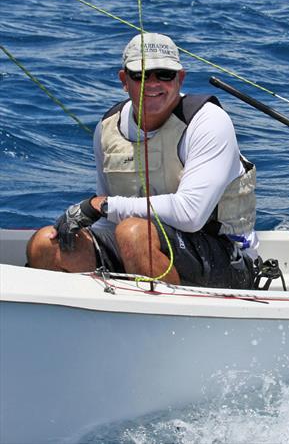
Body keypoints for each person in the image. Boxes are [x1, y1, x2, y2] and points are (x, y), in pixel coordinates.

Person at [26, 32, 258, 289]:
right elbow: (106, 222)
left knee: (135, 234)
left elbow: (190, 214)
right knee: (44, 244)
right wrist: (94, 224)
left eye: (165, 74)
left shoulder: (208, 122)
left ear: (180, 79)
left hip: (226, 259)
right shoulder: (107, 128)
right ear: (124, 80)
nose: (153, 84)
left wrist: (101, 205)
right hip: (138, 245)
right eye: (141, 75)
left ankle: (170, 324)